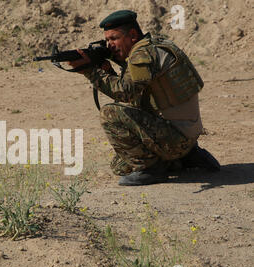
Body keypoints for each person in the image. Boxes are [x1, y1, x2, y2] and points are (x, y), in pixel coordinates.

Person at [68, 10, 220, 186]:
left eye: (114, 38)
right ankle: (187, 158)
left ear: (132, 35)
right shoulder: (155, 45)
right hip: (187, 135)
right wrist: (108, 71)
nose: (109, 45)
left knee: (109, 113)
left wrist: (90, 71)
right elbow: (138, 95)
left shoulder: (141, 55)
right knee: (120, 165)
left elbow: (126, 93)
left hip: (177, 137)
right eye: (107, 40)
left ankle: (152, 170)